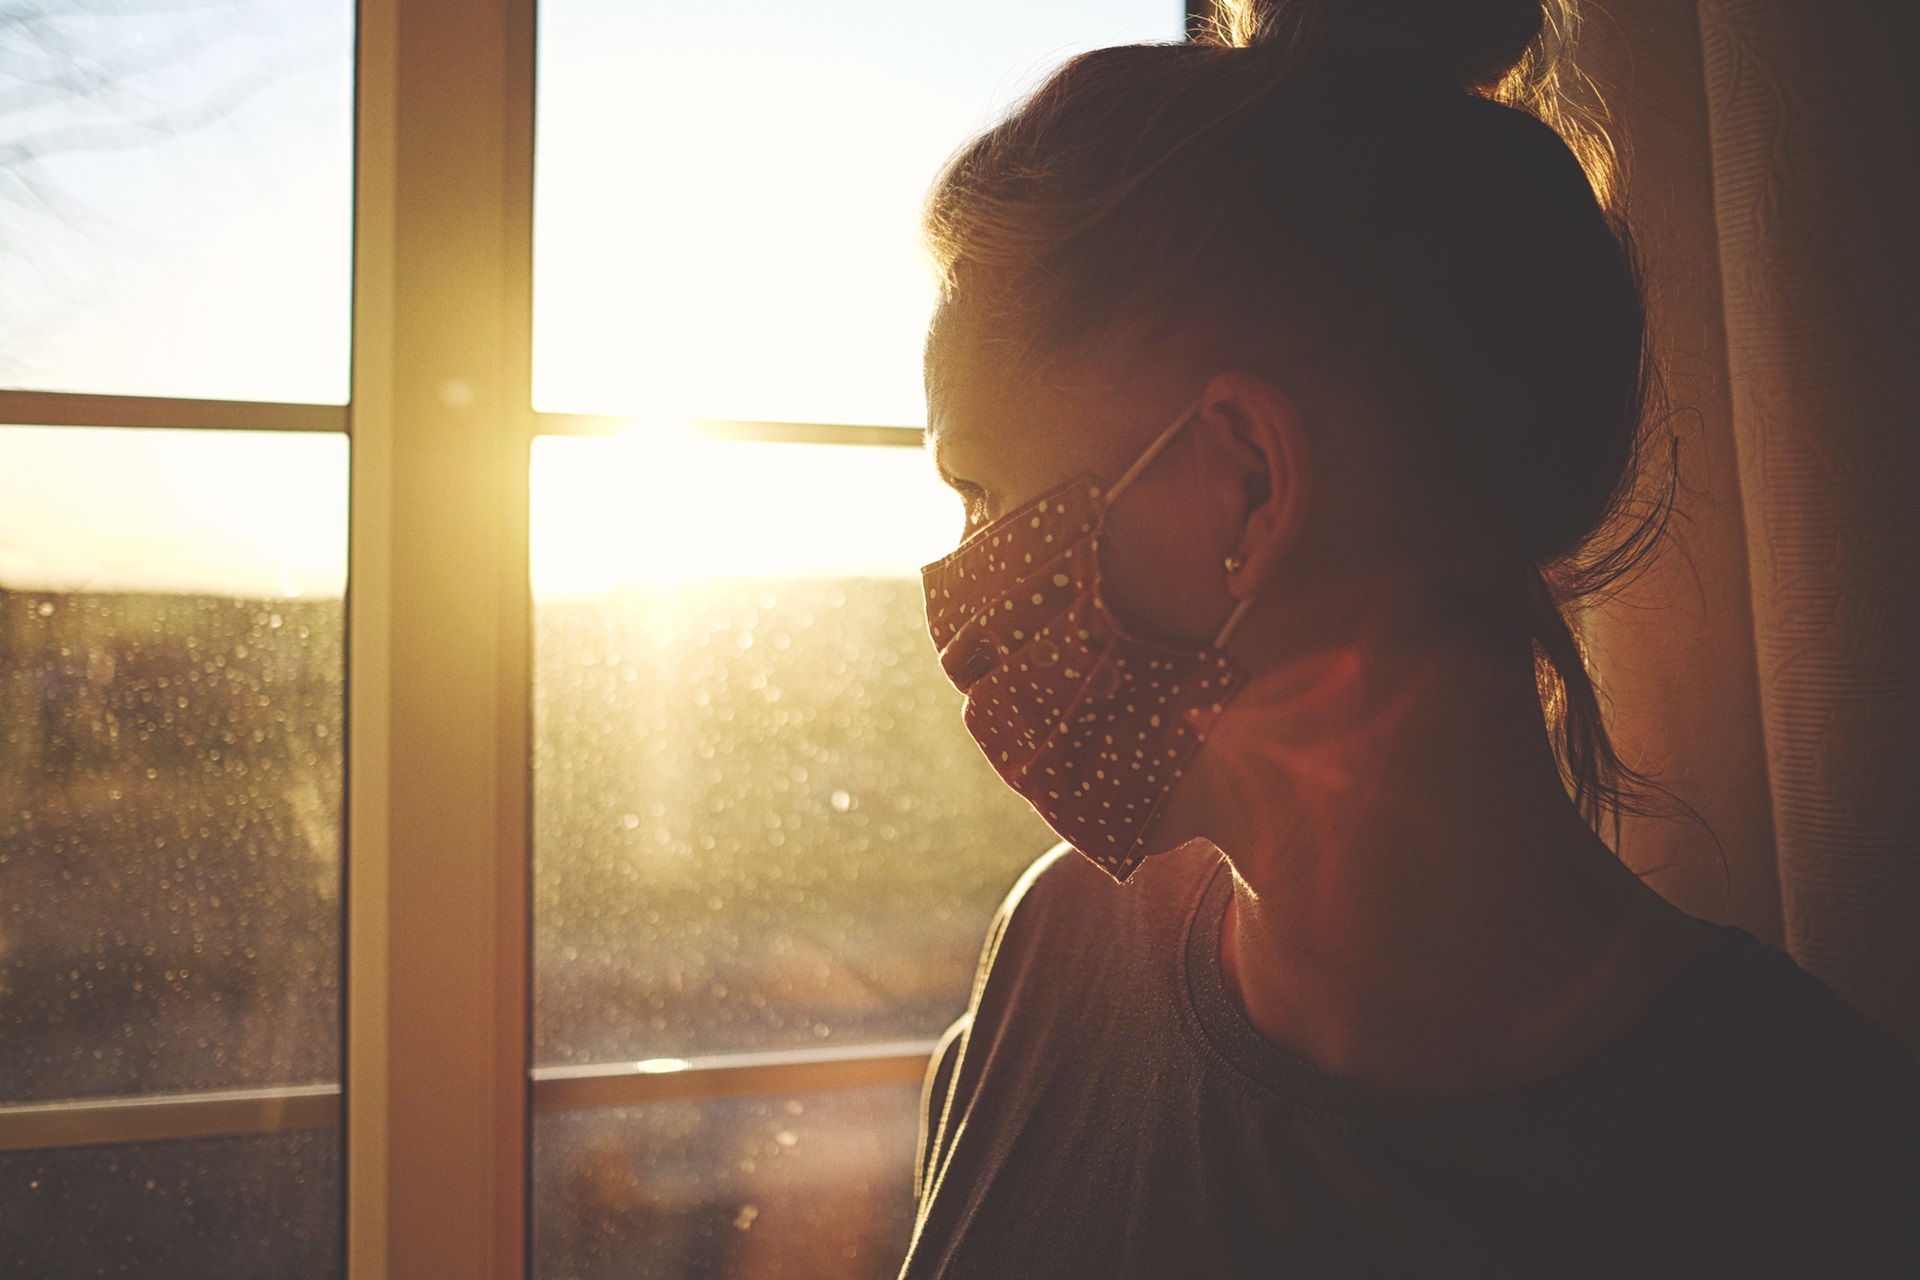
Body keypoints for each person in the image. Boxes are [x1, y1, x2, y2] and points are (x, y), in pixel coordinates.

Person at [898, 1, 1920, 1276]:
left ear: (1245, 487)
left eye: (983, 492)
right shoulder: (1051, 957)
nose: (960, 601)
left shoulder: (1834, 1179)